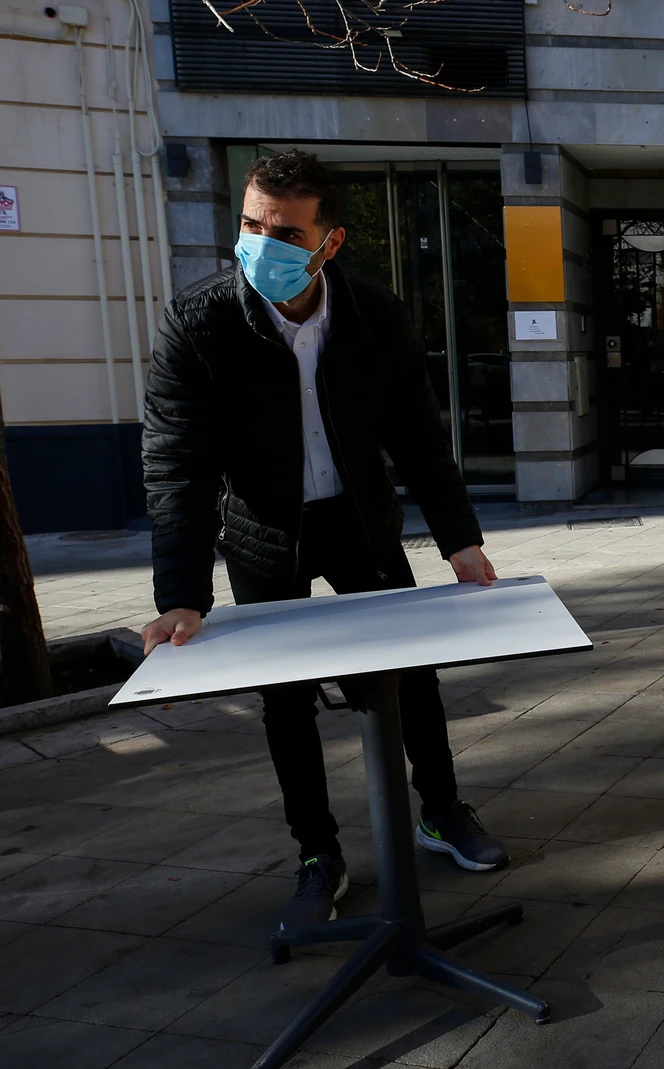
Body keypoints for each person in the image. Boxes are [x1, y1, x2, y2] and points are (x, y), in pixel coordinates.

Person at [140, 149, 510, 931]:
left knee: (413, 676)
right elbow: (178, 464)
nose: (259, 244)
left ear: (329, 242)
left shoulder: (375, 314)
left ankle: (439, 810)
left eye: (283, 232)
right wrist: (179, 594)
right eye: (249, 225)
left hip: (358, 521)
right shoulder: (198, 322)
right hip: (263, 533)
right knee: (286, 702)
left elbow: (418, 435)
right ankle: (317, 852)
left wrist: (460, 541)